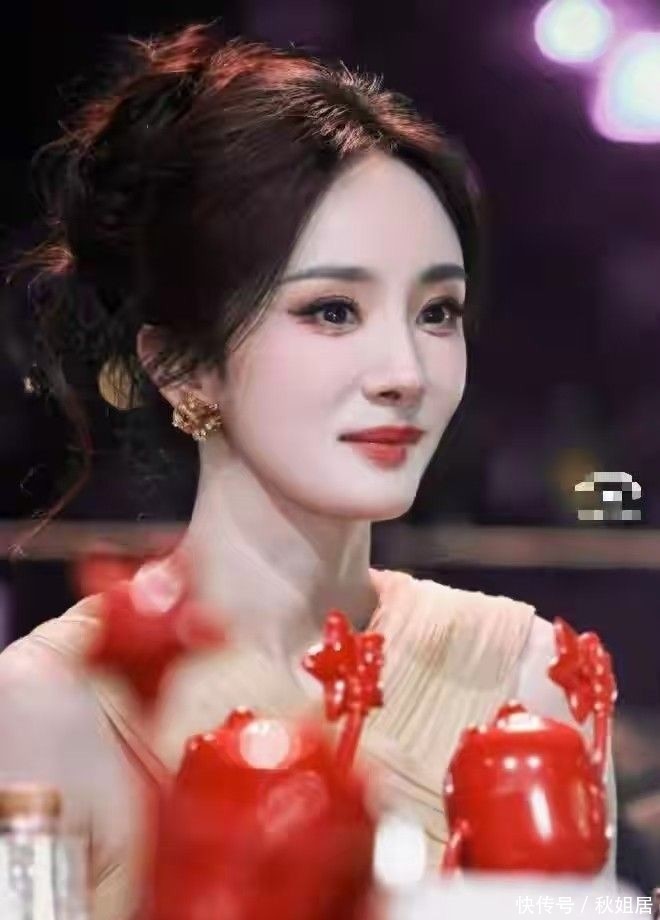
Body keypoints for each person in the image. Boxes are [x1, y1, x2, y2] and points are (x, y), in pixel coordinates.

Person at [0, 21, 617, 919]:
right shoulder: (51, 709)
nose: (406, 371)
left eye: (438, 312)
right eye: (332, 310)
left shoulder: (529, 675)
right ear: (180, 365)